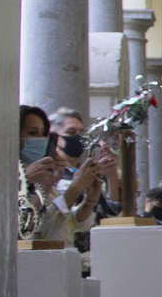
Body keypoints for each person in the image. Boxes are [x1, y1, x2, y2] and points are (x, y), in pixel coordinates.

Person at [19, 105, 102, 244]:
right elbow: (29, 229)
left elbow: (61, 222)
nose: (40, 139)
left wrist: (89, 202)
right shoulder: (10, 178)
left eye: (43, 133)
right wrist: (74, 189)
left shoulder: (44, 176)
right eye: (33, 133)